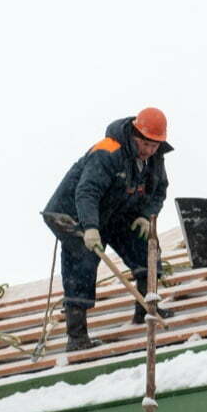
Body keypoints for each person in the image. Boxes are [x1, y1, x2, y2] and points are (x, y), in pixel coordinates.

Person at [43, 107, 174, 351]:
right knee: (82, 259)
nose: (149, 151)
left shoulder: (155, 158)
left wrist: (146, 216)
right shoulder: (108, 152)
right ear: (134, 135)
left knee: (146, 247)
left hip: (114, 211)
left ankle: (146, 309)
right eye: (145, 144)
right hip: (72, 213)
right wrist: (90, 228)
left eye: (154, 146)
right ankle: (77, 337)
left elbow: (159, 189)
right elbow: (87, 192)